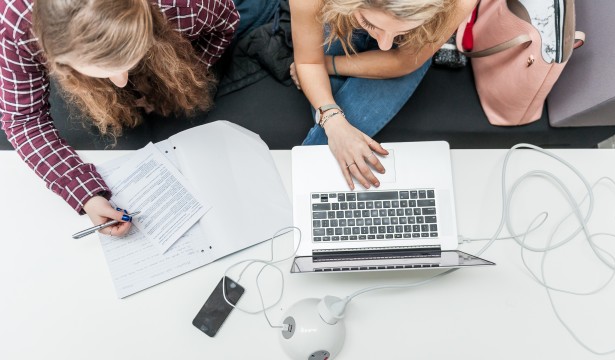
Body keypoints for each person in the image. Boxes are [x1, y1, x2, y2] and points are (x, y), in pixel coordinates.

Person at [0, 0, 278, 237]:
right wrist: (84, 193)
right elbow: (23, 119)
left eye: (129, 59)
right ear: (56, 59)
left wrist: (170, 84)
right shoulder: (15, 22)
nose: (122, 84)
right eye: (104, 68)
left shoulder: (184, 5)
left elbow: (226, 21)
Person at [289, 0, 476, 189]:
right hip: (340, 16)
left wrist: (328, 65)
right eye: (369, 23)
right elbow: (309, 63)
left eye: (402, 31)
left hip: (410, 50)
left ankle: (302, 200)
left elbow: (404, 61)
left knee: (337, 141)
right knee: (338, 138)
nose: (385, 45)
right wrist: (333, 122)